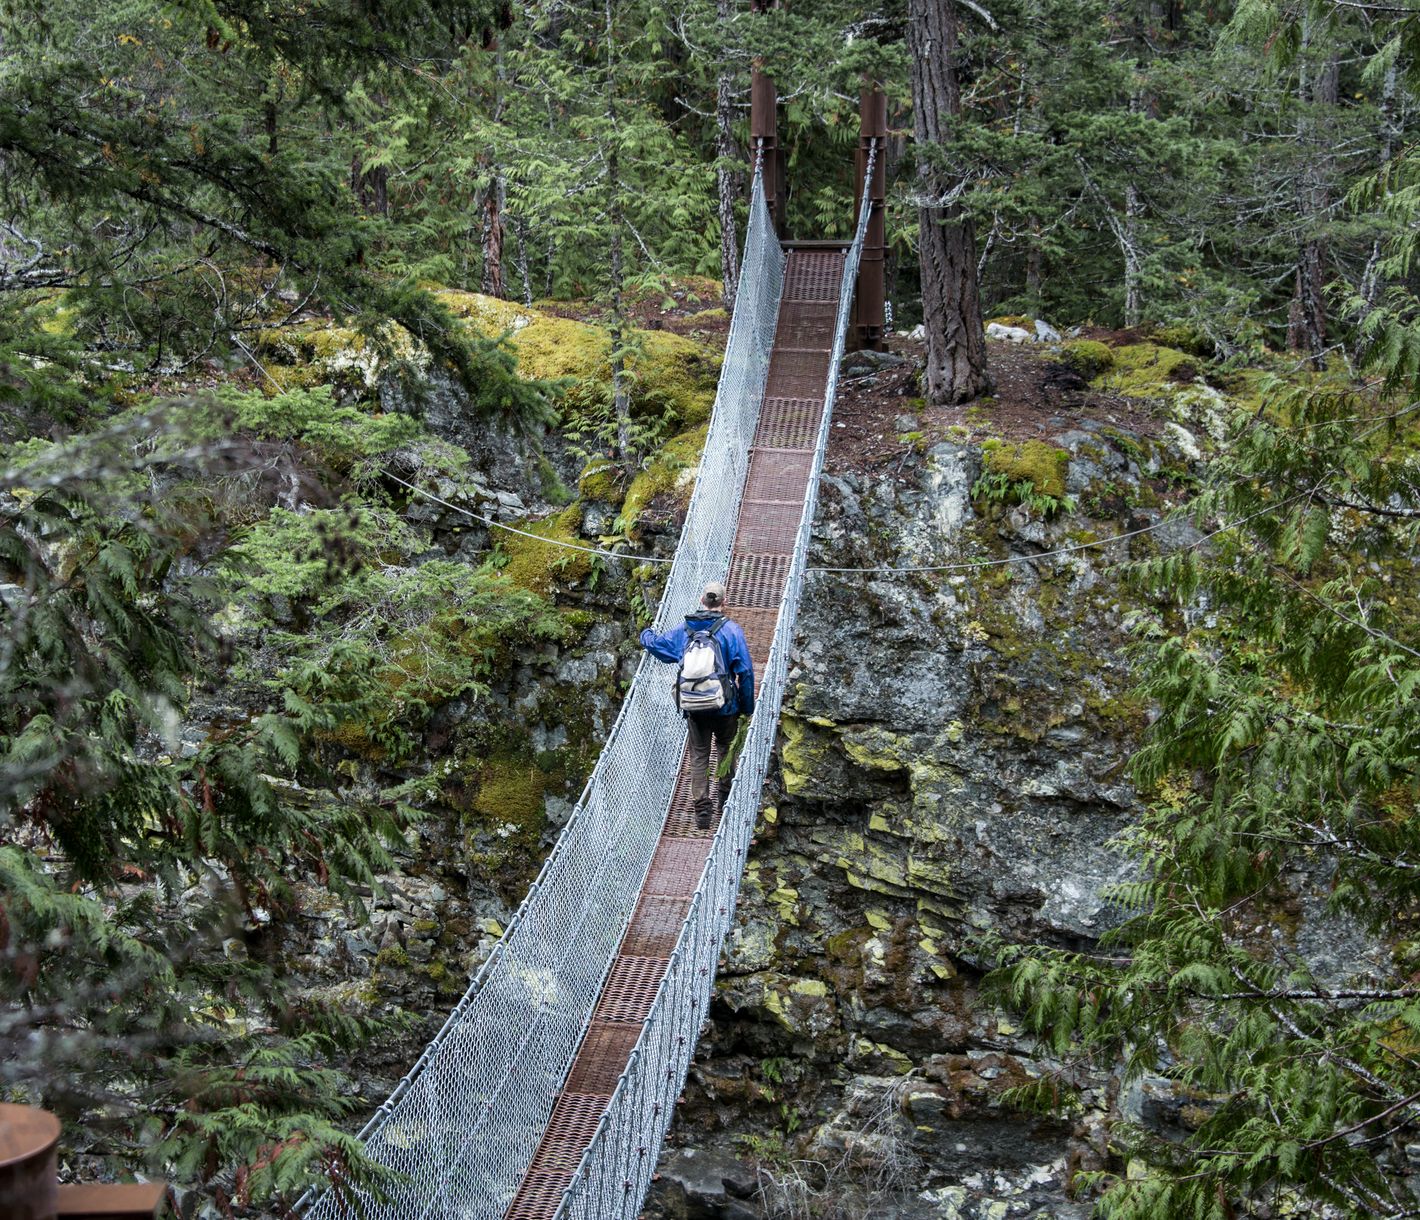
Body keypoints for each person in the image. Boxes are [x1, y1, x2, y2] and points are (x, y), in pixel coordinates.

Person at [639, 580, 755, 830]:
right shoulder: (732, 631)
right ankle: (725, 799)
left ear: (701, 601)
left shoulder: (685, 630)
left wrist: (645, 634)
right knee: (725, 749)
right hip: (726, 708)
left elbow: (658, 646)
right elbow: (745, 672)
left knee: (699, 754)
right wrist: (747, 708)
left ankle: (702, 810)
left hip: (694, 706)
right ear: (723, 604)